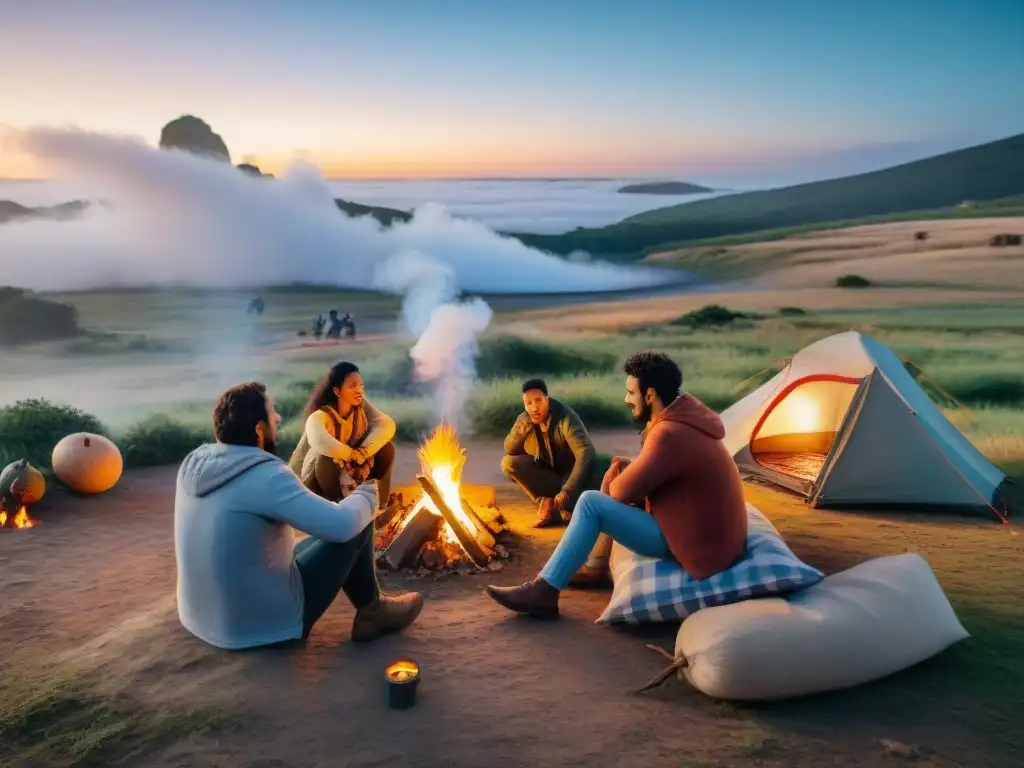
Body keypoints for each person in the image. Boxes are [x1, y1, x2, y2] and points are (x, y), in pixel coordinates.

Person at [486, 351, 749, 617]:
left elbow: (621, 491)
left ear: (649, 395)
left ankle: (544, 591)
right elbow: (667, 466)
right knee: (617, 475)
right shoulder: (686, 421)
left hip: (700, 549)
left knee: (591, 503)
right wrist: (631, 467)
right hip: (717, 540)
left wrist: (617, 479)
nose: (626, 399)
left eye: (631, 393)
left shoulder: (669, 433)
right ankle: (594, 566)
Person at [174, 381, 423, 649]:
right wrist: (369, 489)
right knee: (356, 519)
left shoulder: (195, 464)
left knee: (344, 516)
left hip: (199, 616)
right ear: (259, 428)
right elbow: (342, 526)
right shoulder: (265, 476)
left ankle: (373, 606)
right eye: (273, 413)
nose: (278, 419)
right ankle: (373, 610)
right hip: (261, 626)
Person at [288, 361, 397, 506]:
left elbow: (385, 424)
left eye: (361, 386)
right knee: (327, 457)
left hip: (350, 470)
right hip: (313, 482)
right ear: (337, 391)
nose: (359, 391)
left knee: (386, 448)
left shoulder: (359, 406)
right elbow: (318, 441)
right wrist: (350, 455)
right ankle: (339, 507)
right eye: (353, 386)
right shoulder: (322, 416)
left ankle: (381, 505)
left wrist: (363, 453)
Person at [501, 378, 598, 528]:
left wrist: (567, 491)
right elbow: (509, 449)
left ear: (547, 398)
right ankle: (547, 504)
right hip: (550, 476)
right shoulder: (525, 419)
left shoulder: (566, 417)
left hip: (572, 478)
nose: (534, 408)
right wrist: (521, 435)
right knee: (509, 463)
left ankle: (562, 506)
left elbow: (585, 451)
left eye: (538, 400)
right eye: (529, 403)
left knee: (578, 506)